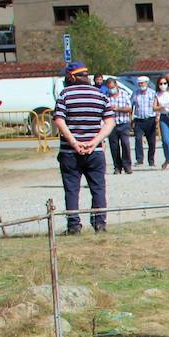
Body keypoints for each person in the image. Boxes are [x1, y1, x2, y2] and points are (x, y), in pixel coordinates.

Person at [52, 61, 113, 235]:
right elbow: (109, 122)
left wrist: (74, 142)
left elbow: (59, 120)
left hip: (70, 152)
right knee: (98, 188)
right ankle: (100, 223)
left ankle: (74, 226)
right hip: (96, 151)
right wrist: (95, 141)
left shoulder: (65, 94)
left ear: (71, 76)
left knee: (72, 189)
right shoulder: (99, 94)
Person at [102, 75, 133, 173]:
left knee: (125, 143)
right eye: (109, 88)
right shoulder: (105, 97)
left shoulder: (124, 94)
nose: (111, 90)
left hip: (123, 123)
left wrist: (118, 109)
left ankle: (127, 165)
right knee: (114, 146)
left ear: (116, 86)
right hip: (112, 125)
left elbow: (129, 108)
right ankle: (117, 167)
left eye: (113, 87)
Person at [130, 75, 157, 168]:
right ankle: (139, 159)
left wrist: (158, 117)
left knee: (152, 142)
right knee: (138, 139)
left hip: (150, 120)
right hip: (139, 120)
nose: (141, 84)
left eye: (143, 83)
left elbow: (157, 106)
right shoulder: (135, 94)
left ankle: (151, 160)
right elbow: (131, 106)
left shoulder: (153, 93)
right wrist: (131, 118)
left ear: (147, 83)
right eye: (139, 83)